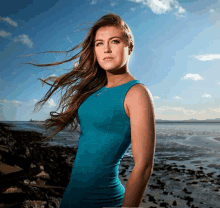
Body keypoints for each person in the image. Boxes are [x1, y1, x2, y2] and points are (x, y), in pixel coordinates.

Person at [29, 13, 156, 208]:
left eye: (114, 41)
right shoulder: (94, 89)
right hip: (72, 198)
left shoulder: (136, 93)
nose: (106, 49)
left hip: (105, 201)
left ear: (129, 47)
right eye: (99, 43)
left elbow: (144, 166)